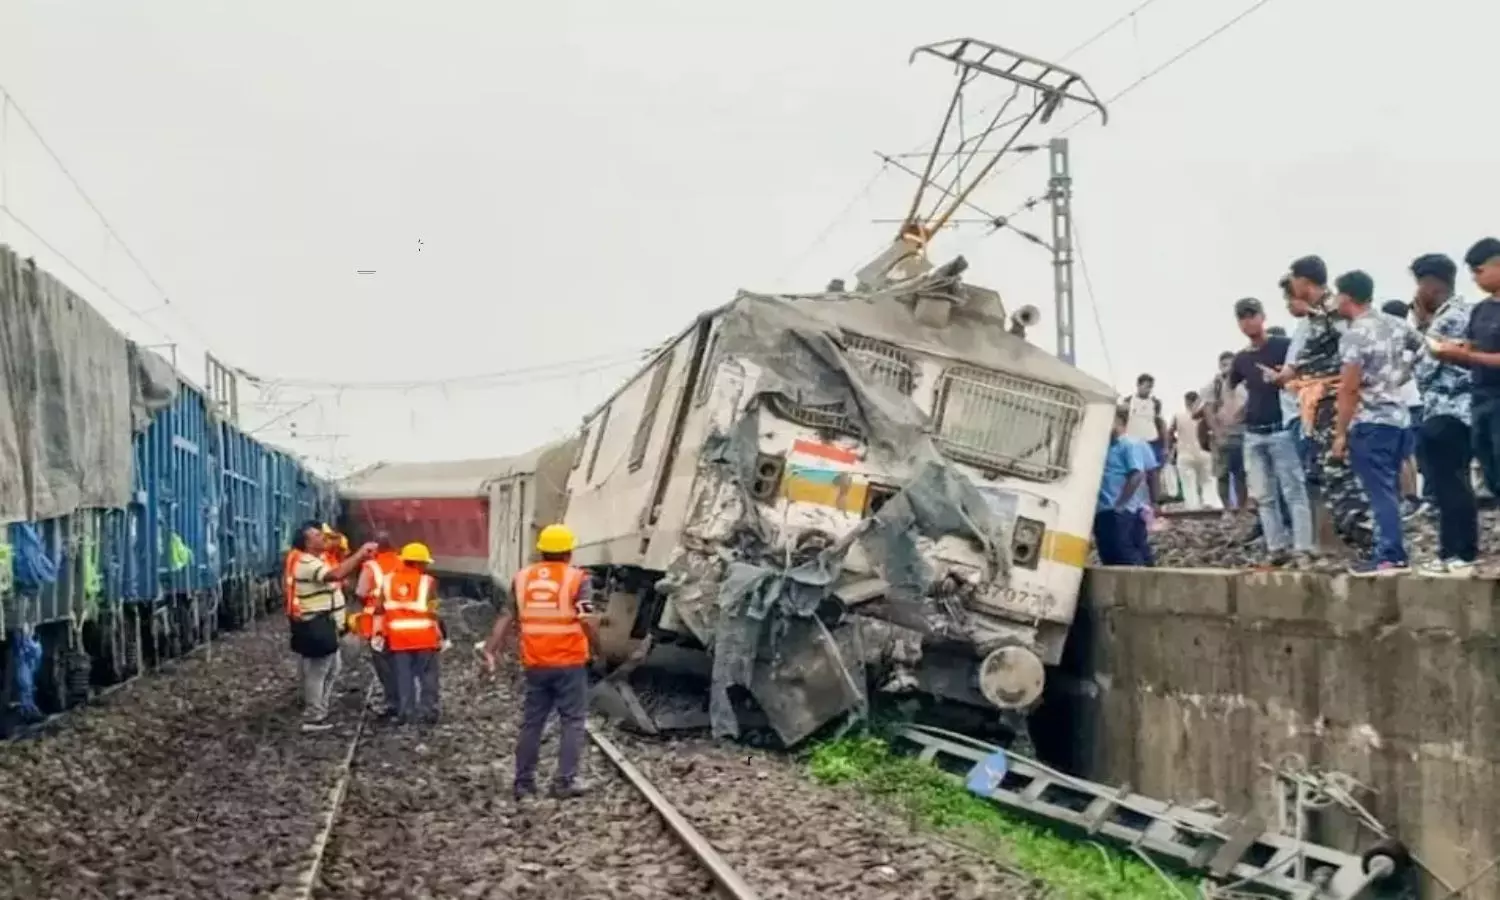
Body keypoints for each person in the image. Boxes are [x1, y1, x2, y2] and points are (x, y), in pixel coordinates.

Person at [481, 524, 600, 801]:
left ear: (541, 551)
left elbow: (506, 616)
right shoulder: (577, 578)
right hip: (569, 660)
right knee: (572, 720)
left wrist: (491, 648)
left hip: (535, 662)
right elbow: (587, 619)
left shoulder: (522, 578)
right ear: (569, 552)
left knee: (532, 722)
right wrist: (597, 648)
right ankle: (564, 782)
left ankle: (523, 783)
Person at [1274, 254, 1371, 552]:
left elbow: (1354, 354)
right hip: (1321, 407)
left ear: (1303, 281)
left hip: (1336, 405)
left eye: (1293, 281)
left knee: (1342, 477)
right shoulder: (1318, 315)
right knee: (1329, 477)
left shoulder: (1336, 311)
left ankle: (1373, 543)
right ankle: (1362, 545)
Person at [1331, 270, 1411, 575]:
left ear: (1347, 297)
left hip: (1371, 422)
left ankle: (1389, 555)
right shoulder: (1395, 324)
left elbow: (1349, 387)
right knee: (1389, 489)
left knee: (1379, 493)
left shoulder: (1354, 334)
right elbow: (1422, 349)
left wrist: (1340, 433)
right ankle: (1393, 551)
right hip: (1398, 419)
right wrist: (1400, 375)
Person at [1229, 297, 1316, 564]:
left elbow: (1305, 374)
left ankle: (1303, 546)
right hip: (1254, 433)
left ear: (1263, 316)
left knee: (1293, 490)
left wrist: (1285, 382)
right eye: (1243, 317)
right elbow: (1231, 389)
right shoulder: (1241, 359)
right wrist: (1233, 412)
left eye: (1252, 314)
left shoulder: (1284, 346)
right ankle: (1276, 547)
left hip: (1282, 429)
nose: (1248, 321)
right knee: (1264, 495)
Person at [1409, 252, 1476, 575]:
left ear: (1430, 284)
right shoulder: (1467, 312)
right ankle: (1462, 553)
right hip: (1463, 412)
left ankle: (1456, 554)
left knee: (1448, 484)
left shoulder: (1446, 319)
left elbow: (1422, 370)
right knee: (1458, 482)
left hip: (1446, 413)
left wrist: (1422, 328)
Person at [286, 521, 377, 732]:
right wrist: (361, 554)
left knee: (332, 667)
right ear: (307, 543)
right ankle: (313, 715)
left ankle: (319, 708)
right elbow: (335, 575)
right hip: (317, 624)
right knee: (318, 670)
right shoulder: (307, 563)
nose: (322, 538)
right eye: (316, 536)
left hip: (325, 624)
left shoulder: (317, 559)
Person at [1434, 238, 1500, 502]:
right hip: (1481, 396)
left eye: (1479, 271)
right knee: (1489, 464)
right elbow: (1473, 351)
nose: (1475, 278)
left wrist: (1467, 354)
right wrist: (1451, 352)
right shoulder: (1481, 310)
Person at [380, 542, 446, 725]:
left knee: (403, 676)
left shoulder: (387, 581)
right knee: (428, 675)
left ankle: (406, 712)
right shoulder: (428, 582)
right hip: (424, 638)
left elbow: (379, 607)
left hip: (398, 639)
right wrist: (440, 632)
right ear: (417, 563)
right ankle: (428, 711)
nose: (426, 566)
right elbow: (433, 611)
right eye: (424, 563)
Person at [1382, 299, 1427, 515]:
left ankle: (1411, 497)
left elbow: (1404, 371)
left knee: (1404, 453)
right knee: (1409, 453)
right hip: (1415, 401)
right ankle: (1414, 496)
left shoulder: (1400, 339)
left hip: (1405, 402)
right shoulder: (1412, 335)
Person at [1093, 407, 1155, 566]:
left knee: (1124, 552)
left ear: (1119, 421)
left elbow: (1137, 475)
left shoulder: (1128, 444)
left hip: (1122, 510)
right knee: (1109, 552)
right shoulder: (1105, 446)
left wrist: (1120, 504)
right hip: (1105, 509)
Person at [353, 531, 403, 716]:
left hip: (378, 627)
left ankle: (392, 703)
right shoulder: (402, 563)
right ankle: (405, 700)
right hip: (401, 623)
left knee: (384, 666)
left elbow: (361, 593)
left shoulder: (371, 567)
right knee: (401, 664)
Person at [1207, 352, 1248, 509]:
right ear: (1219, 366)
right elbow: (1207, 410)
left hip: (1241, 433)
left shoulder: (1245, 382)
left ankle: (1242, 508)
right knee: (1222, 475)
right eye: (1224, 364)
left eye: (1231, 364)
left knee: (1241, 474)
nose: (1228, 368)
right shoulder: (1214, 385)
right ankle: (1227, 509)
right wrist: (1217, 432)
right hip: (1221, 435)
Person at [1169, 391, 1220, 510]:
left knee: (1188, 484)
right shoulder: (1206, 415)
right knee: (1208, 480)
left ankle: (1193, 506)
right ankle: (1210, 503)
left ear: (1185, 401)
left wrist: (1173, 444)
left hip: (1185, 454)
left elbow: (1170, 432)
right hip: (1205, 453)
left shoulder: (1178, 415)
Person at [1123, 374, 1167, 509]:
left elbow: (1161, 423)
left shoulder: (1155, 403)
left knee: (1152, 474)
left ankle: (1155, 503)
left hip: (1151, 441)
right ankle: (1133, 502)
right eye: (1146, 387)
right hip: (1133, 442)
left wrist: (1165, 445)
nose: (1148, 390)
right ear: (1139, 385)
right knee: (1134, 473)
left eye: (1151, 387)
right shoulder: (1128, 401)